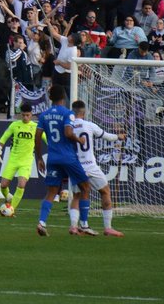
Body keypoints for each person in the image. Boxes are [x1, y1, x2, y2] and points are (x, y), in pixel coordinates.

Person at [34, 84, 91, 236]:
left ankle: (42, 222)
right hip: (68, 157)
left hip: (52, 158)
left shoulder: (44, 115)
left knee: (52, 192)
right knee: (85, 187)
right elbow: (67, 132)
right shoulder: (68, 113)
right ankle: (84, 225)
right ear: (63, 98)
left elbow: (37, 136)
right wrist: (78, 140)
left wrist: (39, 157)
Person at [65, 100, 124, 237]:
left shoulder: (68, 127)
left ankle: (74, 226)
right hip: (90, 165)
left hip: (76, 166)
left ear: (72, 112)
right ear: (84, 113)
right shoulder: (89, 125)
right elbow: (107, 137)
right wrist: (119, 137)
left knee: (77, 196)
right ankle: (108, 228)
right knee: (105, 191)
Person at [0, 102, 37, 216]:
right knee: (3, 185)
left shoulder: (35, 127)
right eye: (23, 115)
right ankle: (8, 198)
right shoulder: (15, 125)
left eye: (28, 115)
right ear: (21, 114)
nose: (25, 117)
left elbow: (47, 140)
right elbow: (4, 137)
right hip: (13, 159)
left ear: (31, 115)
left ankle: (11, 209)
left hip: (26, 161)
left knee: (21, 184)